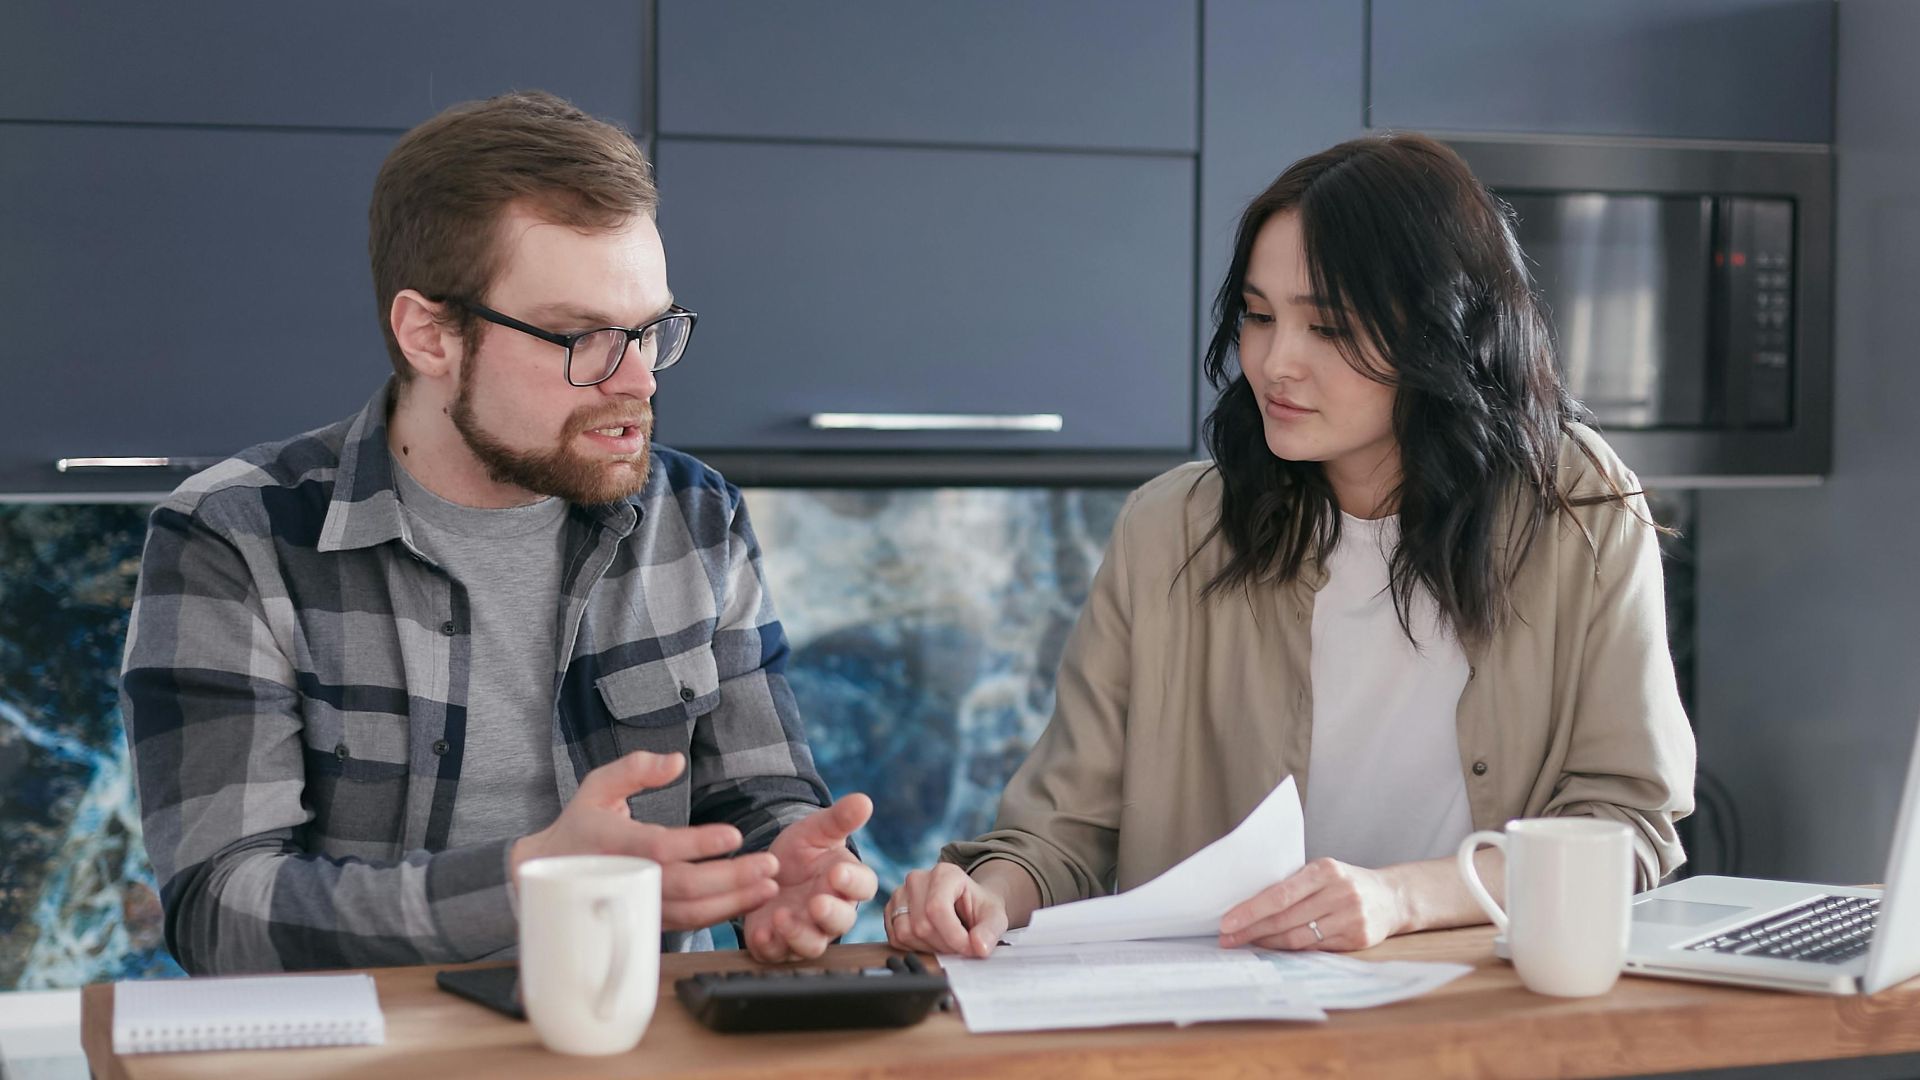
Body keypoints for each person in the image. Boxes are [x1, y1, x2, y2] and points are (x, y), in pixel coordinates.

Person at [885, 132, 1696, 959]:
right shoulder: (1169, 532)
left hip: (1478, 1017)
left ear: (1442, 333)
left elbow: (1626, 826)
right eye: (1260, 316)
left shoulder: (1580, 506)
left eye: (1330, 327)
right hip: (1230, 1031)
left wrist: (1399, 899)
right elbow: (1062, 837)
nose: (1276, 363)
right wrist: (980, 896)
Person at [121, 91, 875, 975]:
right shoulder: (233, 537)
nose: (636, 380)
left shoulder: (698, 517)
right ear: (430, 335)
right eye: (581, 336)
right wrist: (528, 884)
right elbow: (220, 913)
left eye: (649, 330)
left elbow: (762, 795)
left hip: (640, 1044)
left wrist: (789, 876)